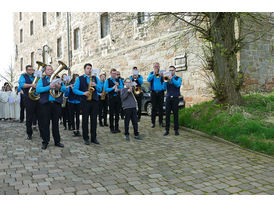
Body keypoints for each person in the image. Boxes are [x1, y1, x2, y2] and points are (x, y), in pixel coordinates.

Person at [36, 65, 66, 150]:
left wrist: (60, 87)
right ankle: (45, 141)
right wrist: (48, 87)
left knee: (55, 124)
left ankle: (57, 141)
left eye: (51, 69)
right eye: (48, 69)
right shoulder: (41, 80)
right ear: (45, 71)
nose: (50, 71)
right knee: (45, 124)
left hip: (56, 104)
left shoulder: (58, 79)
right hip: (45, 104)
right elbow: (38, 90)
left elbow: (64, 90)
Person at [73, 63, 102, 145]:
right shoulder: (80, 78)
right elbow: (75, 90)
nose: (89, 70)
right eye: (88, 68)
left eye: (90, 68)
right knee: (85, 120)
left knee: (94, 120)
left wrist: (95, 85)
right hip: (85, 102)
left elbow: (100, 89)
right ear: (84, 69)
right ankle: (86, 138)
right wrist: (83, 93)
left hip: (94, 101)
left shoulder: (95, 78)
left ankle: (94, 138)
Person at [19, 65, 40, 140]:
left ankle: (42, 132)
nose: (31, 71)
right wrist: (32, 85)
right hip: (28, 99)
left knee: (40, 116)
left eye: (32, 69)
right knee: (29, 117)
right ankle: (29, 133)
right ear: (26, 70)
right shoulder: (23, 76)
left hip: (37, 98)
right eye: (29, 69)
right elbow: (22, 85)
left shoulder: (36, 76)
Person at [163, 66, 182, 136]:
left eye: (172, 70)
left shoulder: (178, 78)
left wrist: (172, 79)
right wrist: (165, 81)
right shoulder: (167, 78)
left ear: (175, 71)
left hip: (175, 98)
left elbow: (178, 85)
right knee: (167, 114)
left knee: (175, 114)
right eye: (170, 70)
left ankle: (176, 130)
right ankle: (167, 130)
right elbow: (164, 88)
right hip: (168, 98)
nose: (171, 72)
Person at [104, 68, 123, 133]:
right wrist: (112, 88)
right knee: (111, 113)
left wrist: (118, 86)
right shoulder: (108, 80)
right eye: (113, 73)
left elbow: (122, 87)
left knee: (117, 113)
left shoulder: (118, 80)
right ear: (111, 73)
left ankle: (117, 127)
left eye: (115, 73)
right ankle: (111, 128)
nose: (114, 75)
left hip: (118, 98)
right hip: (111, 98)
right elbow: (106, 89)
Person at [147, 62, 165, 128]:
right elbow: (148, 79)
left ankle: (161, 122)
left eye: (157, 66)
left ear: (159, 67)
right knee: (153, 108)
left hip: (161, 92)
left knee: (161, 108)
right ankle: (153, 122)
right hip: (154, 93)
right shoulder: (151, 73)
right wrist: (153, 74)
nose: (156, 67)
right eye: (155, 66)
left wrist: (163, 76)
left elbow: (166, 81)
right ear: (153, 67)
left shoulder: (162, 73)